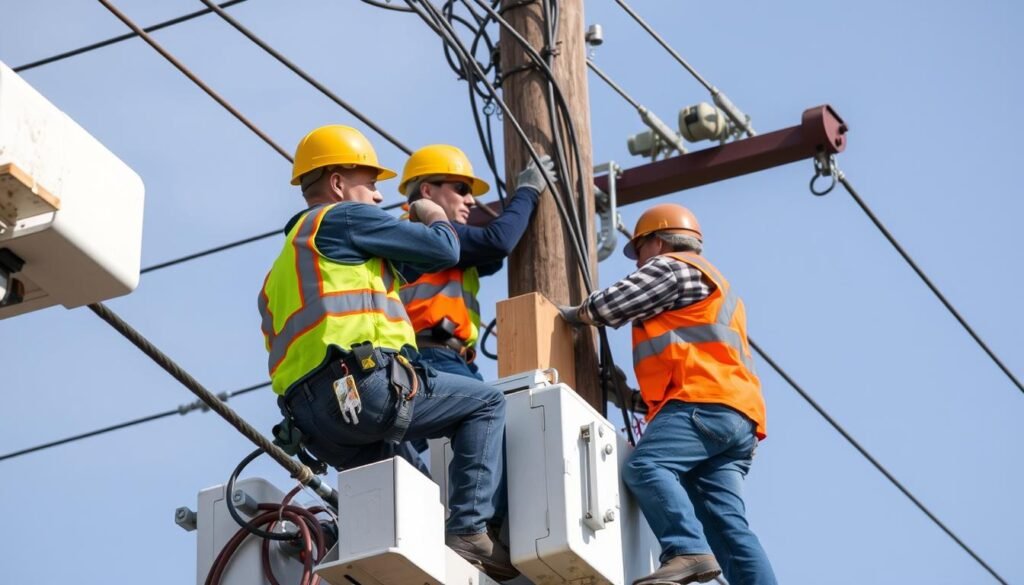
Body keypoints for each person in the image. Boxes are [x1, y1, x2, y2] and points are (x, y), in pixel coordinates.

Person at [258, 125, 518, 581]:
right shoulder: (343, 218)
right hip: (365, 389)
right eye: (371, 184)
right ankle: (470, 530)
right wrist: (432, 212)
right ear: (338, 183)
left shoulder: (289, 262)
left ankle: (362, 550)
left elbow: (416, 262)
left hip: (316, 424)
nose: (379, 197)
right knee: (487, 403)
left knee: (414, 511)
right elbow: (445, 248)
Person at [559, 203, 777, 585]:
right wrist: (628, 397)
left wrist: (571, 314)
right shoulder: (714, 288)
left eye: (639, 251)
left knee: (646, 467)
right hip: (736, 418)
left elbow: (609, 306)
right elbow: (693, 359)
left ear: (657, 242)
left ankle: (685, 550)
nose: (638, 263)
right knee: (726, 527)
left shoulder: (672, 267)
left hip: (703, 404)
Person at [397, 145, 555, 380]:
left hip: (444, 358)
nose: (471, 201)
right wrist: (528, 192)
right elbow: (498, 242)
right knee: (493, 402)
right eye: (461, 189)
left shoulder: (419, 237)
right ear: (427, 191)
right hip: (433, 356)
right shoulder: (424, 231)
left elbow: (492, 255)